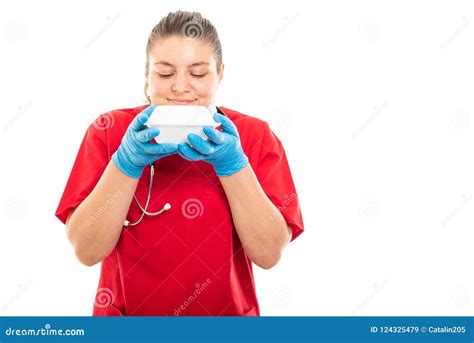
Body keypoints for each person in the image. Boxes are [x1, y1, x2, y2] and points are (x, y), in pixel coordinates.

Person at [55, 10, 304, 316]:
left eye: (198, 73)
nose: (181, 87)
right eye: (165, 73)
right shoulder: (109, 131)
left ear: (220, 73)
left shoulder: (254, 136)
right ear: (147, 74)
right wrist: (125, 163)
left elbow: (269, 254)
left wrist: (234, 165)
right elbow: (85, 250)